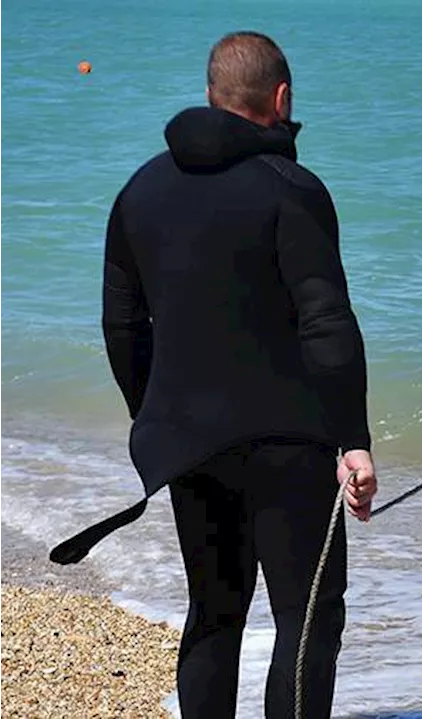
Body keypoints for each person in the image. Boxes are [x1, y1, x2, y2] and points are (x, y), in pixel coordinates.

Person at [50, 31, 375, 718]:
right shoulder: (293, 188)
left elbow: (121, 325)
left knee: (215, 610)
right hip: (290, 443)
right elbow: (326, 323)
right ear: (281, 99)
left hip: (192, 442)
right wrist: (353, 439)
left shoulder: (139, 190)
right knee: (307, 615)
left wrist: (155, 412)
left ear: (211, 95)